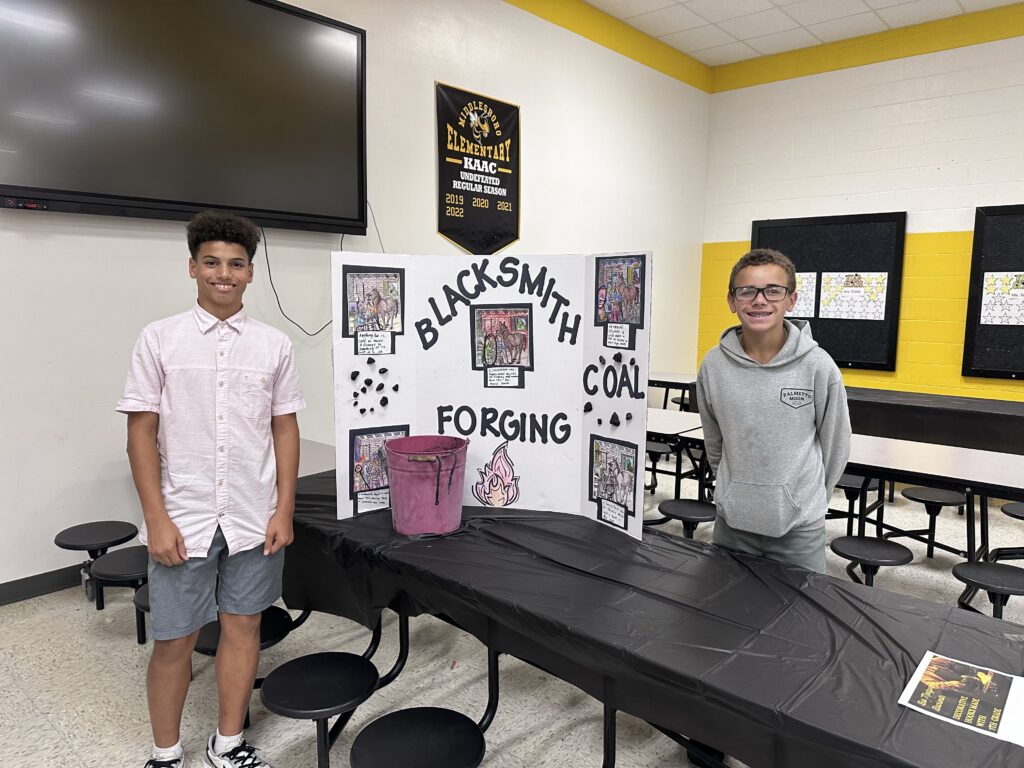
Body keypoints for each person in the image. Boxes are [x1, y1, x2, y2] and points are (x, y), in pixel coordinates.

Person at [117, 211, 305, 768]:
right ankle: (166, 754)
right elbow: (140, 432)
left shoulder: (274, 346)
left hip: (253, 515)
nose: (224, 274)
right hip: (184, 516)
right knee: (174, 639)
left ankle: (228, 745)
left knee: (244, 627)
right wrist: (156, 518)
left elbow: (284, 428)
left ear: (250, 273)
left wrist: (285, 508)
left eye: (236, 264)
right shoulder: (159, 339)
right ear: (193, 268)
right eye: (212, 263)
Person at [696, 248, 850, 574]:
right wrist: (731, 494)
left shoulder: (818, 365)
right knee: (724, 615)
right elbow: (715, 443)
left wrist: (806, 503)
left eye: (773, 291)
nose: (759, 300)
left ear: (791, 300)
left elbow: (837, 445)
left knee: (801, 620)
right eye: (747, 291)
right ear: (732, 301)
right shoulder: (713, 365)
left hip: (799, 530)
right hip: (732, 524)